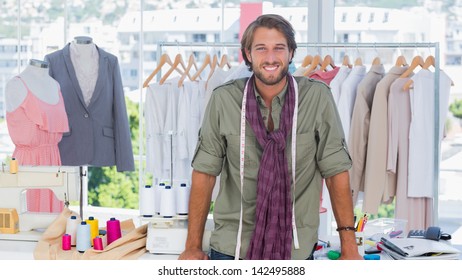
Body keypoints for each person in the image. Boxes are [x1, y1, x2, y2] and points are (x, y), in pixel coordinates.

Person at [178, 14, 362, 260]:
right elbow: (204, 173)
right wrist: (192, 246)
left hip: (295, 249)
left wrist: (349, 247)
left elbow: (336, 171)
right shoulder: (224, 99)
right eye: (261, 48)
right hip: (233, 248)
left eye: (279, 48)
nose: (271, 58)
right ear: (248, 54)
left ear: (291, 53)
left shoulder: (317, 98)